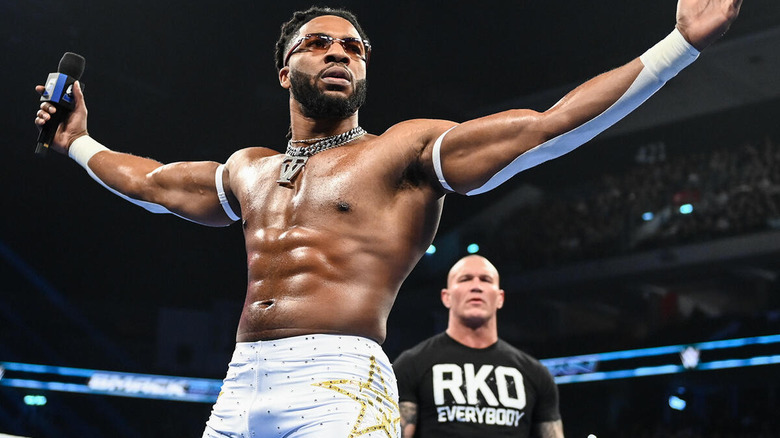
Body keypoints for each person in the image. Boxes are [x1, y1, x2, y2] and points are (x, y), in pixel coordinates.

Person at [33, 1, 742, 436]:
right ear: (285, 70)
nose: (340, 52)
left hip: (339, 380)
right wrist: (77, 143)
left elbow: (546, 127)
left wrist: (679, 46)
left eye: (354, 48)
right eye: (320, 43)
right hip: (242, 378)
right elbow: (154, 183)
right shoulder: (247, 168)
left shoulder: (400, 153)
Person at [393, 255, 563, 438]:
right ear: (446, 297)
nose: (476, 286)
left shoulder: (535, 373)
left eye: (485, 279)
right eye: (465, 279)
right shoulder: (412, 364)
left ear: (500, 298)